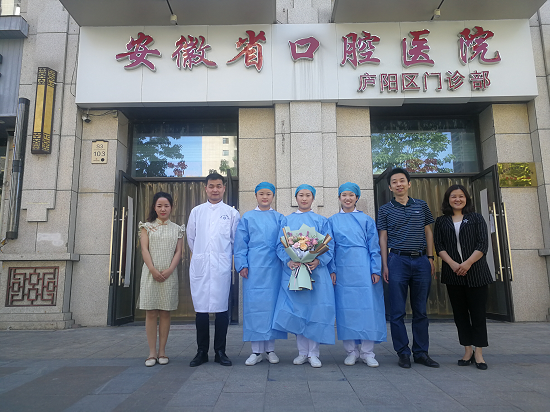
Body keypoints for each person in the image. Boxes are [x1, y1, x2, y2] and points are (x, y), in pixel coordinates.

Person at [377, 168, 439, 369]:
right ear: (390, 187)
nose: (399, 184)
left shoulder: (421, 205)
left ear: (409, 184)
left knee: (421, 310)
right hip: (397, 261)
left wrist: (430, 257)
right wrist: (385, 265)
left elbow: (428, 232)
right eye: (394, 182)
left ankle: (421, 352)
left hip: (421, 260)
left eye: (402, 180)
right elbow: (383, 238)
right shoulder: (385, 210)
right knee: (397, 311)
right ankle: (403, 352)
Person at [272, 184, 335, 368]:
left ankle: (314, 353)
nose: (304, 198)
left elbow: (330, 246)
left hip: (316, 274)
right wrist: (289, 261)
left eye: (308, 195)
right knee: (298, 311)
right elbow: (280, 245)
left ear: (313, 198)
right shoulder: (286, 220)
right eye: (301, 195)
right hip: (295, 272)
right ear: (296, 198)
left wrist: (318, 261)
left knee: (315, 311)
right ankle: (302, 352)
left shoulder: (322, 220)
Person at [434, 184, 493, 370]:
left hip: (476, 273)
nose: (457, 199)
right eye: (453, 196)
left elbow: (482, 244)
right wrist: (452, 264)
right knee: (460, 315)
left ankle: (479, 353)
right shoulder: (441, 221)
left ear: (466, 198)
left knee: (478, 314)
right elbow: (439, 246)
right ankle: (467, 350)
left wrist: (467, 263)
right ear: (448, 199)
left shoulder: (476, 218)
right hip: (453, 275)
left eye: (461, 196)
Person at [328, 182, 386, 367]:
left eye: (351, 195)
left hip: (363, 267)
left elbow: (374, 246)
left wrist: (375, 269)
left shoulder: (367, 220)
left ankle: (368, 352)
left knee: (367, 308)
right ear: (339, 198)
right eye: (344, 195)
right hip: (342, 269)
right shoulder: (332, 221)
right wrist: (332, 269)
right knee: (346, 310)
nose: (347, 198)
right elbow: (329, 247)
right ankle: (351, 351)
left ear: (357, 198)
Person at [187, 173, 241, 367]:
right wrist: (202, 255)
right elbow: (191, 239)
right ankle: (201, 351)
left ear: (224, 188)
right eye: (211, 186)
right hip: (201, 265)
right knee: (201, 311)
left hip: (221, 267)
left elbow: (235, 240)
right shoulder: (197, 212)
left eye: (219, 186)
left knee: (221, 310)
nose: (215, 189)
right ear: (206, 188)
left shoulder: (232, 213)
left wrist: (221, 257)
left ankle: (220, 351)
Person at [234, 182, 287, 366]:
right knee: (255, 307)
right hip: (254, 268)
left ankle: (270, 349)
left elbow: (283, 243)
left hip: (274, 268)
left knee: (271, 307)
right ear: (256, 195)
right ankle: (256, 351)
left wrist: (288, 261)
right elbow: (240, 244)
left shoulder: (280, 218)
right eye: (261, 194)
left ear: (273, 196)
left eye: (268, 194)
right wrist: (242, 264)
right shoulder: (247, 217)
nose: (265, 197)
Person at [138, 192, 184, 367]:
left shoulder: (178, 229)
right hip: (150, 273)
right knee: (150, 312)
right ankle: (151, 353)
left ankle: (162, 351)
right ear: (154, 207)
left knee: (165, 312)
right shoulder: (146, 227)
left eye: (166, 205)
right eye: (159, 206)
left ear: (171, 207)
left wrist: (170, 269)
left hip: (169, 274)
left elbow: (179, 252)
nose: (163, 209)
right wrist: (152, 269)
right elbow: (144, 249)